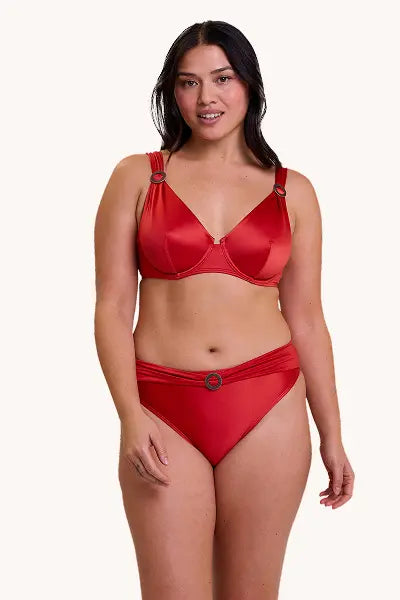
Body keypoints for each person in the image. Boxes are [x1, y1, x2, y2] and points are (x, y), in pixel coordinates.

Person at [94, 20, 355, 600]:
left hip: (268, 405)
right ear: (172, 92)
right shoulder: (137, 176)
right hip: (162, 406)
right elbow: (111, 306)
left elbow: (308, 318)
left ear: (249, 86)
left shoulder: (293, 190)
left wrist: (332, 434)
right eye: (188, 83)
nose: (205, 98)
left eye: (222, 79)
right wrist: (129, 415)